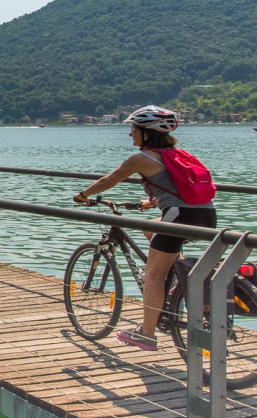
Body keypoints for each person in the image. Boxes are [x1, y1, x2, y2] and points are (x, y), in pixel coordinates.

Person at [73, 105, 217, 351]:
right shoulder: (179, 155)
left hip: (179, 216)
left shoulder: (141, 159)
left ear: (147, 133)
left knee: (153, 275)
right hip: (206, 214)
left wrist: (83, 194)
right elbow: (178, 185)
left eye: (133, 129)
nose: (130, 134)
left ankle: (147, 334)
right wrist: (153, 202)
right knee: (152, 227)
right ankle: (176, 280)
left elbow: (109, 180)